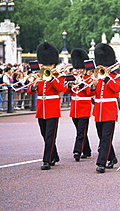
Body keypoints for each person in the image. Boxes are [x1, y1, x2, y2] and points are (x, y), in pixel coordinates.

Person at [27, 41, 65, 170]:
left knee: (50, 135)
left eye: (48, 64)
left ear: (54, 64)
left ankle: (47, 160)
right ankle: (54, 155)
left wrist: (52, 78)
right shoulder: (38, 75)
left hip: (52, 108)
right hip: (41, 108)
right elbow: (29, 90)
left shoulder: (58, 76)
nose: (46, 66)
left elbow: (61, 88)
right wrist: (34, 85)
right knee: (44, 134)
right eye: (44, 63)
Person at [93, 43, 120, 173]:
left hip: (110, 110)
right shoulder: (96, 77)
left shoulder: (116, 77)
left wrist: (106, 78)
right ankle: (112, 157)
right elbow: (90, 93)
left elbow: (118, 88)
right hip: (98, 110)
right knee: (102, 137)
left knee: (106, 137)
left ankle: (101, 163)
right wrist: (93, 86)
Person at [64, 48, 93, 161]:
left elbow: (90, 92)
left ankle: (77, 151)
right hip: (74, 108)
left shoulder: (89, 78)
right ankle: (87, 150)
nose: (80, 70)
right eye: (78, 68)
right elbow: (66, 91)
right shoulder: (73, 77)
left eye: (82, 68)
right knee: (80, 130)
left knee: (81, 131)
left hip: (84, 107)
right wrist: (69, 84)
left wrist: (81, 84)